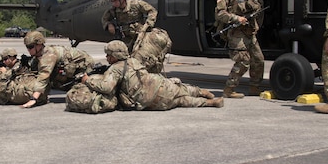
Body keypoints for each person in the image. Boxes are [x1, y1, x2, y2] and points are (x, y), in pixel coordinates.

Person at [79, 40, 223, 110]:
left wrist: (87, 80)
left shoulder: (115, 69)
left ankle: (210, 103)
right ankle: (202, 92)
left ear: (115, 56)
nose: (106, 57)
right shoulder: (133, 61)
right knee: (182, 89)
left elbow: (106, 87)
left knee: (181, 101)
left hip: (149, 98)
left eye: (108, 55)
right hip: (160, 83)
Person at [214, 0, 265, 98]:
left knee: (258, 60)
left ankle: (254, 87)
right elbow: (220, 13)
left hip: (250, 31)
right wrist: (237, 19)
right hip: (236, 33)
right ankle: (229, 89)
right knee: (243, 61)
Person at [101, 0, 171, 73]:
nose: (113, 4)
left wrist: (148, 24)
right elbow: (104, 19)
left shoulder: (136, 4)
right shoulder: (113, 10)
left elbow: (152, 11)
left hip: (141, 38)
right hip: (127, 40)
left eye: (115, 1)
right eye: (112, 2)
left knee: (144, 61)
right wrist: (108, 25)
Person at [20, 30, 94, 109]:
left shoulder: (49, 54)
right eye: (27, 47)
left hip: (85, 67)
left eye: (30, 47)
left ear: (39, 45)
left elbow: (43, 76)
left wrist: (33, 99)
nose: (28, 49)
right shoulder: (37, 57)